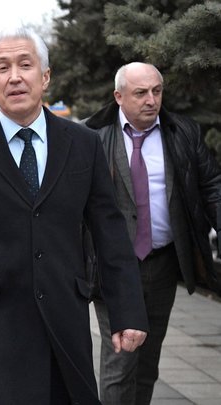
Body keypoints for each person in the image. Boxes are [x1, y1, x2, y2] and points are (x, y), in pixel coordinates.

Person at [0, 25, 149, 404]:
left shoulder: (83, 144)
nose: (15, 77)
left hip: (64, 311)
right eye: (3, 67)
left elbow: (110, 232)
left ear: (44, 77)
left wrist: (128, 312)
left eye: (25, 65)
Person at [84, 62, 221, 405]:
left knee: (148, 361)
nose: (151, 100)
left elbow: (212, 185)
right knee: (120, 361)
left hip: (163, 263)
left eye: (157, 91)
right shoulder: (92, 136)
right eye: (141, 93)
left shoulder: (182, 132)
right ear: (119, 97)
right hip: (113, 268)